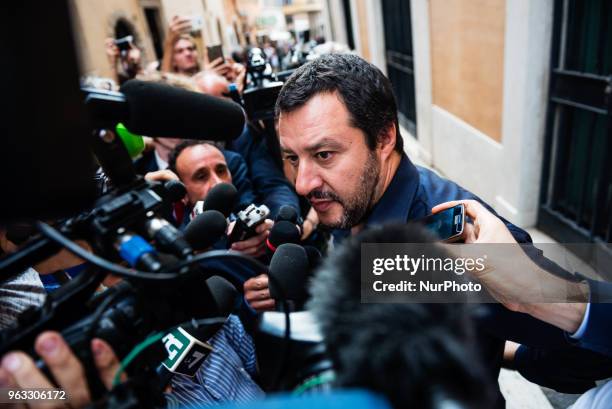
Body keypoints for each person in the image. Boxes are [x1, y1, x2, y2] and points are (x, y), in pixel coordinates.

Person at [245, 53, 611, 402]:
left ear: (384, 138)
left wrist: (512, 338)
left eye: (324, 154)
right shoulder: (349, 201)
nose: (303, 183)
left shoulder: (461, 243)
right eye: (293, 158)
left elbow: (587, 353)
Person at [168, 140, 272, 257]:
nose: (218, 182)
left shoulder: (246, 219)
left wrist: (270, 239)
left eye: (221, 171)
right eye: (201, 176)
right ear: (183, 194)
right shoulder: (176, 245)